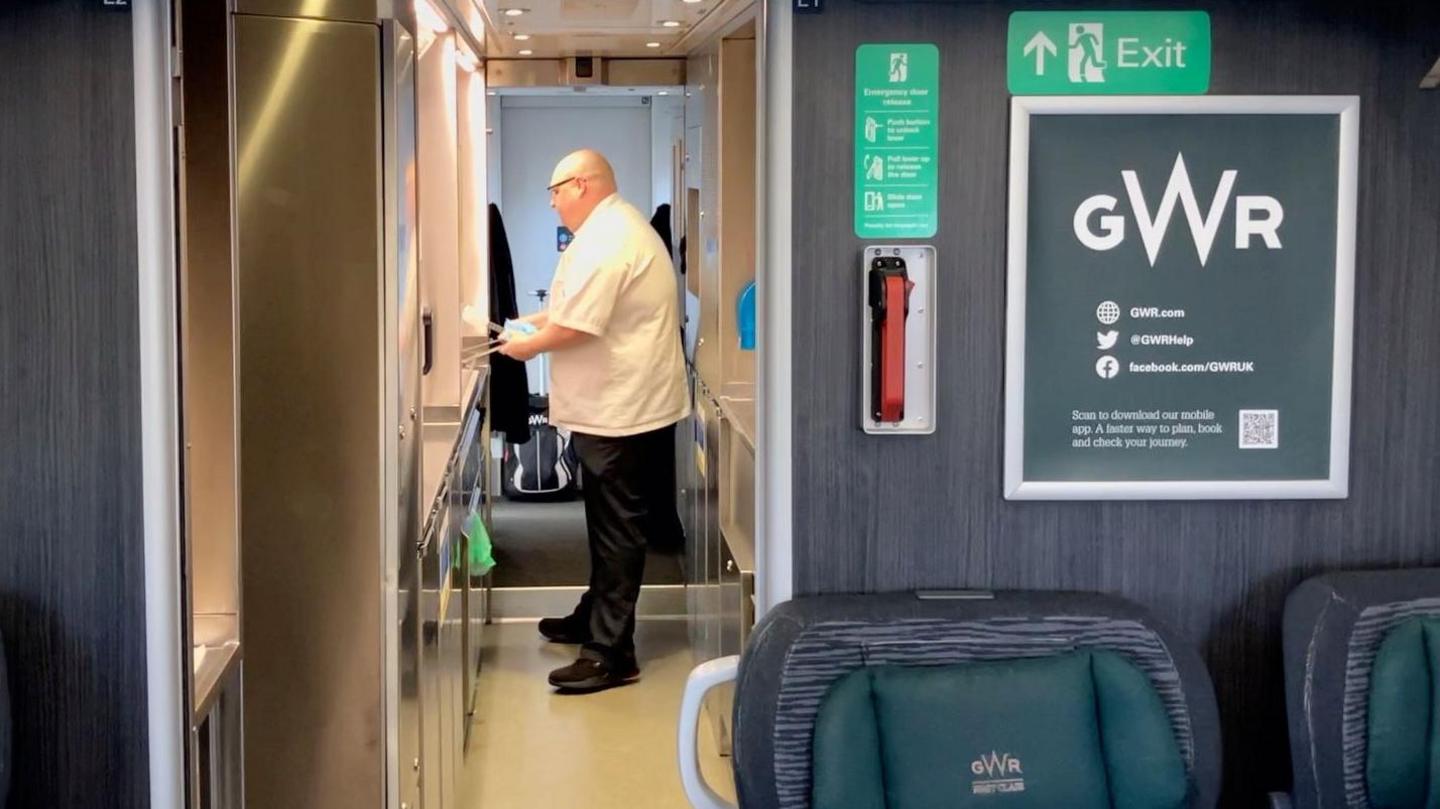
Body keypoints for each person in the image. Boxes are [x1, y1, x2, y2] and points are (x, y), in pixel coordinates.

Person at [498, 149, 689, 692]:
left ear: (581, 184)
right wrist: (522, 323)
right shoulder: (612, 230)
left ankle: (611, 651)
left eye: (555, 191)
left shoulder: (610, 240)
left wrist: (522, 348)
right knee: (605, 527)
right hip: (617, 407)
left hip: (622, 412)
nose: (553, 202)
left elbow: (579, 327)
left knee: (617, 531)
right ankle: (593, 618)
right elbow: (571, 308)